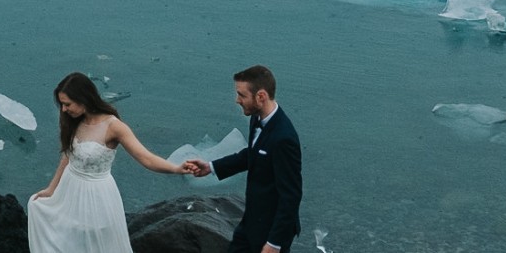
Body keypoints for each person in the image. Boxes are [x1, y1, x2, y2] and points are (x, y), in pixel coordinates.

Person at [28, 72, 197, 252]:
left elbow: (146, 158)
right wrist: (52, 189)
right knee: (51, 220)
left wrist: (177, 168)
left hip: (96, 195)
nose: (63, 109)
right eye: (62, 104)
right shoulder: (74, 121)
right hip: (69, 189)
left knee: (94, 242)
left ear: (83, 98)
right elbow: (68, 156)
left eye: (67, 104)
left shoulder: (113, 126)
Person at [185, 65, 303, 253]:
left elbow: (291, 196)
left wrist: (274, 244)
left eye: (241, 95)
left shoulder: (284, 138)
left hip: (271, 231)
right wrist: (211, 167)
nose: (237, 100)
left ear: (261, 97)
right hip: (251, 222)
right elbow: (252, 154)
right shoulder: (257, 119)